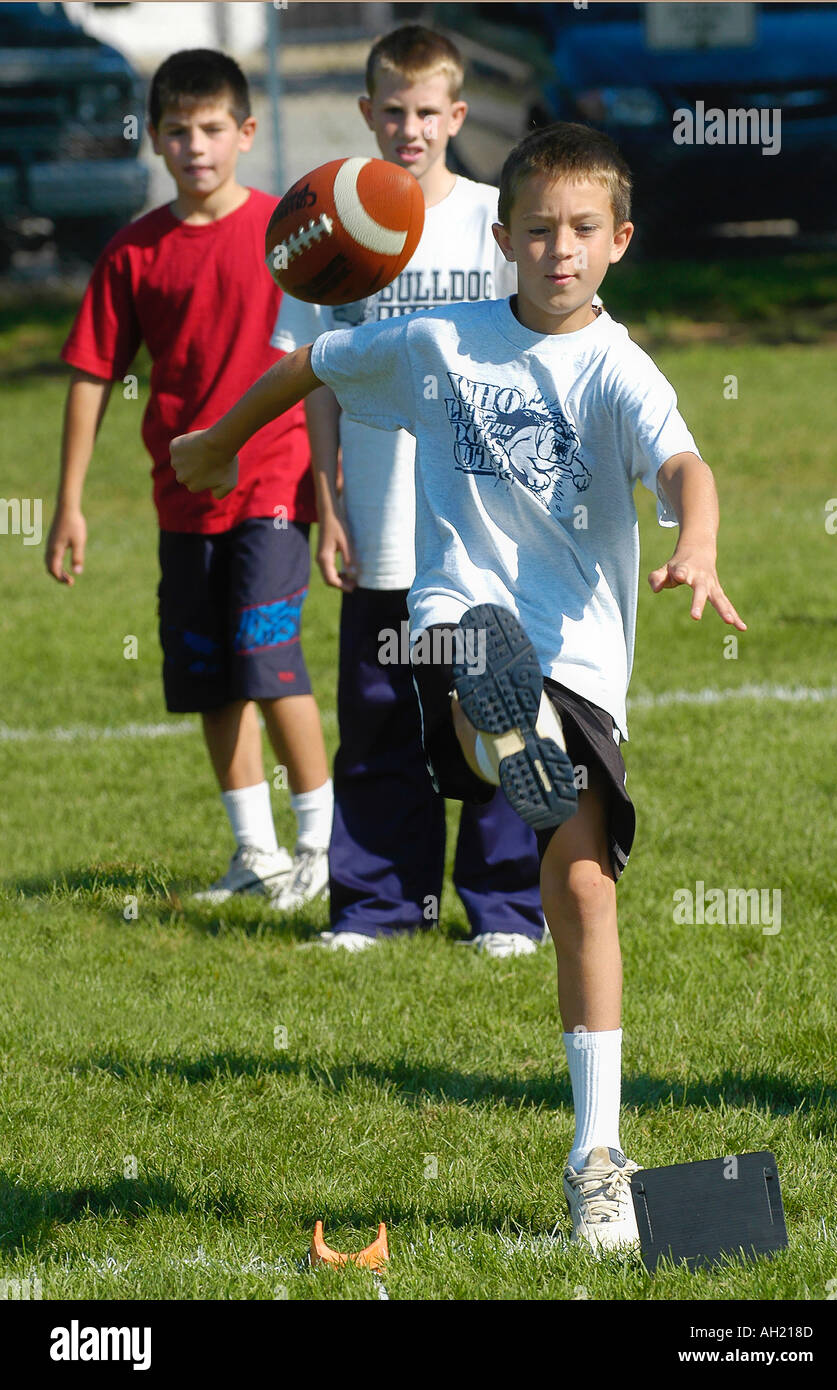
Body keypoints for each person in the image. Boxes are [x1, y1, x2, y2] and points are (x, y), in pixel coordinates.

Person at [170, 122, 746, 1250]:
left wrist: (702, 540)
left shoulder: (618, 366)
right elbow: (313, 363)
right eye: (537, 231)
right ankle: (498, 725)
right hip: (458, 624)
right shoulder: (440, 339)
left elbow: (683, 464)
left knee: (580, 889)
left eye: (582, 230)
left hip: (580, 657)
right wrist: (221, 440)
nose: (558, 250)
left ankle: (595, 1157)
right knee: (475, 651)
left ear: (617, 241)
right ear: (502, 238)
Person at [275, 25, 545, 956]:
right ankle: (377, 905)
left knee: (495, 709)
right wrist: (327, 498)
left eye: (427, 111)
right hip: (382, 518)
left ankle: (507, 908)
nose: (409, 127)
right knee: (382, 711)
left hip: (482, 526)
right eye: (391, 110)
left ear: (457, 115)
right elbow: (311, 370)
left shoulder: (495, 221)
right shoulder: (332, 223)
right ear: (366, 113)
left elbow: (547, 347)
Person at [45, 49, 333, 913]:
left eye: (212, 129)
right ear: (155, 142)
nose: (195, 147)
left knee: (265, 655)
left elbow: (324, 358)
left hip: (274, 484)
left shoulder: (286, 234)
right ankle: (256, 850)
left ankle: (321, 842)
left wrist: (337, 488)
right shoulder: (134, 252)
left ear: (246, 133)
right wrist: (68, 502)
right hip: (183, 500)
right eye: (177, 131)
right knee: (210, 674)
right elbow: (93, 373)